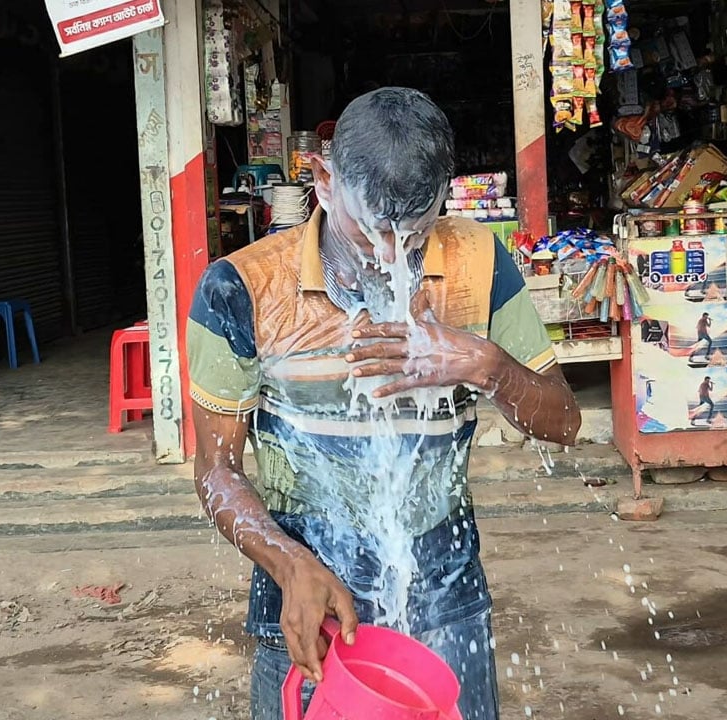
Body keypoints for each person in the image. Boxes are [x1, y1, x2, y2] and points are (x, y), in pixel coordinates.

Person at [188, 88, 580, 720]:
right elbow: (215, 472)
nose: (394, 257)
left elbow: (564, 422)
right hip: (305, 595)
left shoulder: (478, 261)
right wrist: (289, 565)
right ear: (322, 180)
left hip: (445, 588)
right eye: (371, 231)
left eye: (417, 232)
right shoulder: (241, 288)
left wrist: (484, 364)